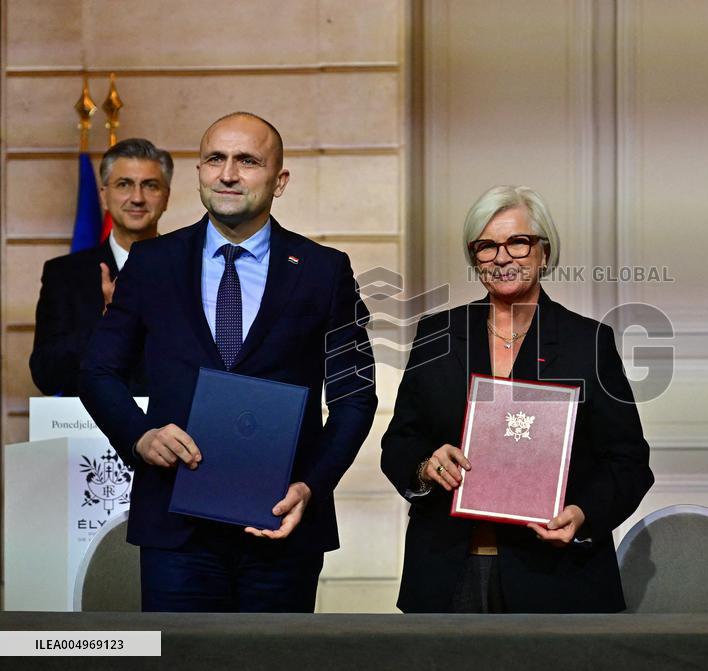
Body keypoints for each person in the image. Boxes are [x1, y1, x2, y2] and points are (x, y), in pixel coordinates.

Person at [79, 112, 377, 612]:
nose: (228, 173)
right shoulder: (152, 264)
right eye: (215, 158)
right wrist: (140, 434)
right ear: (199, 171)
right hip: (176, 528)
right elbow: (98, 370)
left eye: (247, 161)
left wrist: (312, 485)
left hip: (282, 524)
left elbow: (354, 398)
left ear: (279, 180)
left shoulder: (325, 271)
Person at [380, 185, 653, 613]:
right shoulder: (438, 336)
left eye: (518, 242)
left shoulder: (588, 343)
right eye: (487, 246)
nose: (502, 257)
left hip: (556, 575)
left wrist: (583, 514)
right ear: (475, 259)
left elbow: (629, 462)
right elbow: (398, 442)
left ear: (544, 252)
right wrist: (424, 465)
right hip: (447, 573)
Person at [30, 138, 172, 395]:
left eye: (150, 185)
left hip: (170, 428)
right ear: (105, 196)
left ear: (166, 196)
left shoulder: (191, 268)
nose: (137, 198)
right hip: (87, 427)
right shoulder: (63, 275)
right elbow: (46, 375)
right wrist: (108, 318)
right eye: (124, 184)